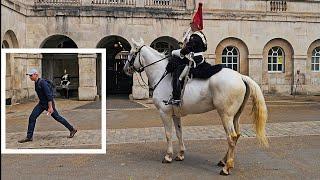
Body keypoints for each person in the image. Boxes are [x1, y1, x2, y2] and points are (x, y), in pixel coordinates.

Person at [165, 2, 209, 106]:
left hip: (194, 60)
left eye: (192, 24)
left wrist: (178, 51)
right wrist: (185, 44)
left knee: (177, 74)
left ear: (196, 25)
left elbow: (188, 49)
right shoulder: (201, 36)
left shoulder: (195, 36)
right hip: (197, 57)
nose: (190, 26)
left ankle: (176, 98)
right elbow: (197, 47)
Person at [18, 68, 77, 143]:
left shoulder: (42, 83)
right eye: (29, 75)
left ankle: (72, 129)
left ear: (36, 74)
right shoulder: (36, 82)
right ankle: (29, 137)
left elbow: (49, 96)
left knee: (57, 117)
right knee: (32, 117)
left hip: (49, 103)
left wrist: (50, 107)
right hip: (41, 104)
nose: (30, 77)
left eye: (31, 75)